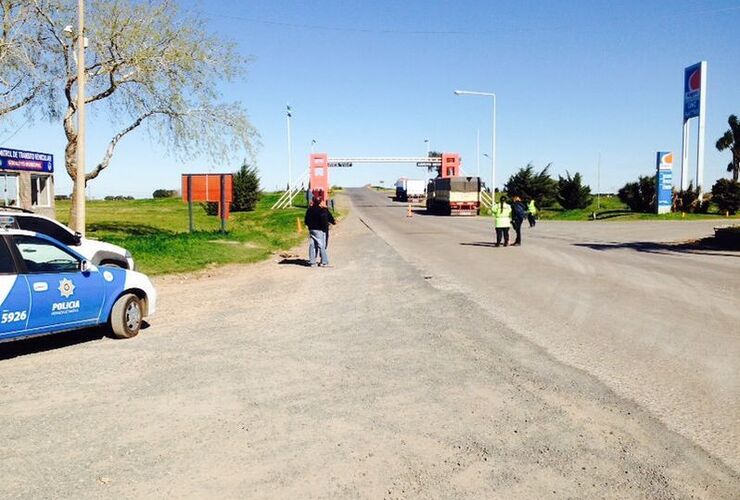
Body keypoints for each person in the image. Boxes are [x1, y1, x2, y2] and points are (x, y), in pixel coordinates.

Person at [304, 191, 335, 267]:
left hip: (311, 230)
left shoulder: (309, 209)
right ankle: (324, 262)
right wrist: (324, 229)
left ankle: (312, 262)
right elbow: (324, 220)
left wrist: (309, 226)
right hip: (319, 230)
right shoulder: (322, 210)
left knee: (312, 245)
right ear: (320, 202)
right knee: (321, 245)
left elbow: (306, 220)